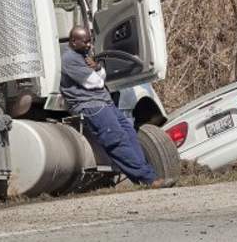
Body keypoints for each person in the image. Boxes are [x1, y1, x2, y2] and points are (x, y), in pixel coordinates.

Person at [60, 26, 174, 188]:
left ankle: (148, 176)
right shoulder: (70, 59)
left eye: (89, 41)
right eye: (85, 42)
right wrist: (98, 72)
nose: (89, 45)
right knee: (117, 140)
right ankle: (148, 179)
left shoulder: (83, 55)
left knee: (130, 134)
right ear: (73, 41)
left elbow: (102, 75)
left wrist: (98, 68)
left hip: (106, 103)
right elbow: (96, 82)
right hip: (92, 106)